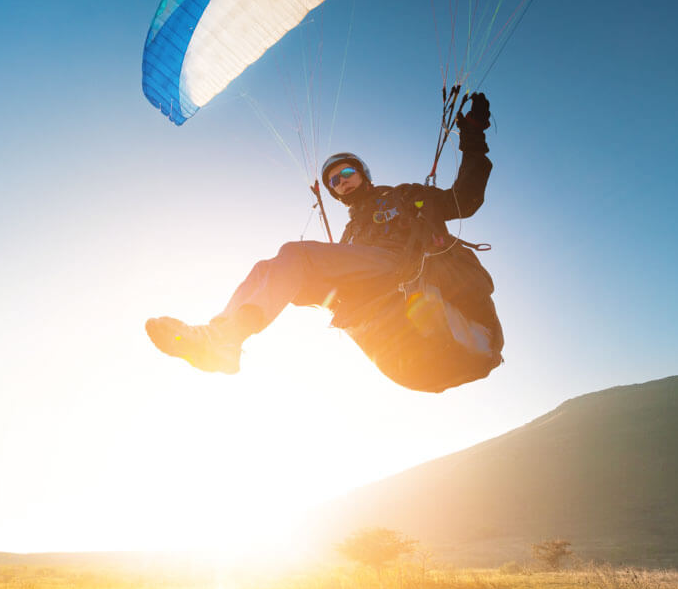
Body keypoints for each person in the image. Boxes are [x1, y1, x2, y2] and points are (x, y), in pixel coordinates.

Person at [146, 93, 503, 391]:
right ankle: (220, 337)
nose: (342, 181)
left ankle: (226, 339)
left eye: (347, 172)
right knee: (269, 269)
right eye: (334, 181)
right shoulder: (350, 236)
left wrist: (472, 137)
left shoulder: (406, 196)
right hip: (390, 322)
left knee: (297, 255)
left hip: (404, 269)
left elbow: (464, 199)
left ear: (363, 174)